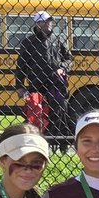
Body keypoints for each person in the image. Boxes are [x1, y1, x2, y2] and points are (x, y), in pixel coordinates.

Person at [14, 11, 73, 141]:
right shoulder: (28, 42)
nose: (49, 24)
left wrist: (62, 68)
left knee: (60, 113)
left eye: (50, 21)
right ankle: (37, 140)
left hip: (56, 85)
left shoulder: (58, 40)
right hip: (36, 85)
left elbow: (69, 59)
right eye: (45, 21)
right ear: (38, 24)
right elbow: (21, 66)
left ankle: (61, 142)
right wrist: (19, 86)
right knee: (36, 114)